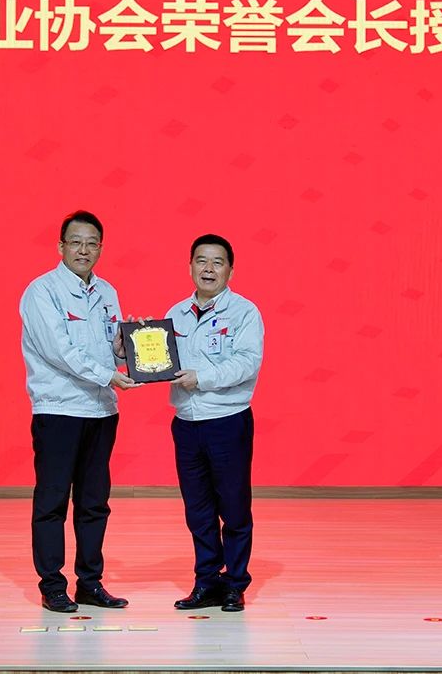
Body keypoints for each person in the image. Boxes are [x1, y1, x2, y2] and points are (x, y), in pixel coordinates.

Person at [19, 210, 140, 613]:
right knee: (52, 501)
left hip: (101, 411)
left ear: (100, 248)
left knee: (94, 503)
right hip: (58, 410)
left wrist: (128, 349)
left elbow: (111, 348)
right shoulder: (42, 291)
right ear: (61, 246)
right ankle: (53, 585)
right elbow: (60, 351)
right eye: (76, 242)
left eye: (92, 243)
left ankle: (90, 583)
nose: (83, 250)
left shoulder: (107, 291)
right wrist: (109, 374)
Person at [165, 234, 264, 612]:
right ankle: (206, 580)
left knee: (234, 507)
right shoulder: (175, 313)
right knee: (198, 510)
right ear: (190, 266)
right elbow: (160, 361)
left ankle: (235, 583)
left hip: (227, 420)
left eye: (217, 262)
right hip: (186, 423)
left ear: (230, 270)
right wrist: (131, 350)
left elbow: (246, 363)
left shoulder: (244, 312)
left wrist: (202, 378)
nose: (208, 269)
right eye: (201, 261)